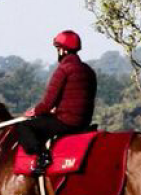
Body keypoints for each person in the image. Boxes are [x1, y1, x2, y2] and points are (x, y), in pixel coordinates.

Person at [17, 30, 97, 177]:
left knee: (24, 127)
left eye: (57, 49)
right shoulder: (89, 71)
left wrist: (34, 112)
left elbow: (47, 103)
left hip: (66, 122)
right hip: (84, 122)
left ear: (63, 50)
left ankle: (43, 157)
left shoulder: (63, 69)